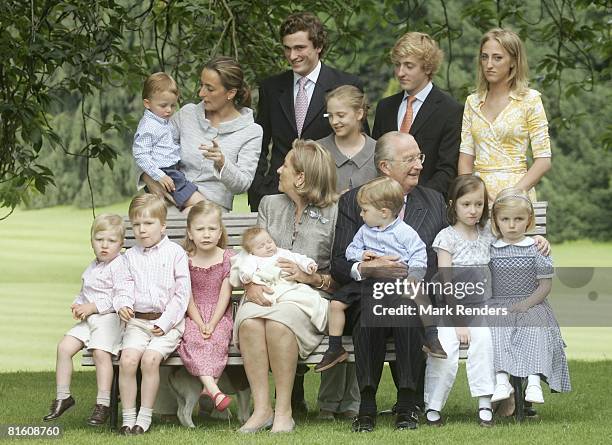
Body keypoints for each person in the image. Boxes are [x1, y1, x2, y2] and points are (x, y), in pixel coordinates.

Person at [331, 131, 449, 432]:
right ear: (385, 166)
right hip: (365, 293)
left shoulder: (433, 201)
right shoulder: (354, 202)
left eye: (419, 157)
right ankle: (367, 407)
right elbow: (340, 263)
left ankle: (408, 405)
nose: (419, 165)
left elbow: (437, 262)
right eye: (409, 159)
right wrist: (369, 269)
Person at [233, 140, 338, 433]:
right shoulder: (269, 204)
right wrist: (250, 284)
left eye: (286, 166)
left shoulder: (335, 212)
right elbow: (251, 253)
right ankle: (262, 409)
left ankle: (284, 411)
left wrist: (312, 278)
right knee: (251, 323)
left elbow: (342, 272)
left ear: (301, 177)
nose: (278, 169)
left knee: (279, 325)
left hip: (309, 297)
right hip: (265, 290)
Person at [248, 11, 368, 211]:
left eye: (300, 48)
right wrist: (258, 189)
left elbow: (362, 142)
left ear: (319, 46)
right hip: (277, 192)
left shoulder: (346, 84)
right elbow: (259, 142)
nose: (292, 56)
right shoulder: (271, 87)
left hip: (328, 194)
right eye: (287, 48)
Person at [316, 176, 427, 373]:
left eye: (365, 210)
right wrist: (361, 255)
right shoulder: (364, 231)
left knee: (417, 300)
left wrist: (414, 277)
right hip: (367, 283)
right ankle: (335, 348)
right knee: (336, 303)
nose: (361, 214)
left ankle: (432, 338)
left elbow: (419, 254)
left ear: (384, 212)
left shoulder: (405, 232)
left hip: (396, 284)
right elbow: (350, 251)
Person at [142, 56, 262, 212]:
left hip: (211, 212)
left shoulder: (251, 131)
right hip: (170, 199)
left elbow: (242, 185)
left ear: (230, 93)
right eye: (201, 85)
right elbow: (148, 144)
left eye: (209, 89)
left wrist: (222, 163)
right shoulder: (187, 114)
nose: (201, 93)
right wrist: (148, 178)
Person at [43, 214, 129, 426]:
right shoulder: (93, 266)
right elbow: (85, 292)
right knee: (64, 347)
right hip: (89, 320)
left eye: (111, 241)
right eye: (99, 240)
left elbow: (121, 296)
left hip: (108, 319)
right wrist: (78, 304)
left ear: (121, 243)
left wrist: (93, 307)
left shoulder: (120, 265)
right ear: (92, 241)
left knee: (101, 353)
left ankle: (103, 403)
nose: (104, 246)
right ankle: (63, 397)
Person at [114, 194, 190, 435]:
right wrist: (123, 304)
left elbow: (181, 294)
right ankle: (128, 417)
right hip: (137, 322)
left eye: (148, 224)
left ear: (163, 225)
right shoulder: (129, 257)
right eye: (136, 225)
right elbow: (123, 286)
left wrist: (166, 322)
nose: (142, 230)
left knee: (149, 360)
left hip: (168, 322)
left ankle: (144, 416)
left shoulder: (176, 253)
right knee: (127, 361)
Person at [424, 175, 496, 427]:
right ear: (454, 205)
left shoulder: (487, 233)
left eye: (479, 204)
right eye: (466, 204)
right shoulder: (447, 238)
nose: (473, 210)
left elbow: (513, 238)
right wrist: (459, 322)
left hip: (482, 308)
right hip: (451, 308)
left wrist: (539, 240)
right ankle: (433, 405)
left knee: (485, 342)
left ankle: (485, 402)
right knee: (445, 348)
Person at [488, 187, 570, 406]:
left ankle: (533, 383)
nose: (512, 225)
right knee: (497, 328)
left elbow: (545, 286)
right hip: (500, 303)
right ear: (496, 221)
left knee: (536, 328)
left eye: (518, 219)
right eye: (505, 219)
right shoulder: (491, 249)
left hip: (532, 302)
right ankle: (501, 380)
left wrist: (525, 304)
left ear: (529, 220)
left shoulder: (536, 249)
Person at [458, 28, 552, 202]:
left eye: (497, 58)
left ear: (513, 62)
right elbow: (465, 159)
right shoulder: (472, 102)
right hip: (478, 200)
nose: (489, 64)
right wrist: (471, 194)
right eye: (484, 57)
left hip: (516, 199)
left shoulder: (530, 100)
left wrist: (512, 195)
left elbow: (544, 161)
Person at [371, 32, 462, 196]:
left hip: (427, 206)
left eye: (409, 66)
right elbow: (376, 160)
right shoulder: (385, 107)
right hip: (383, 203)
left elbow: (447, 170)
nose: (400, 72)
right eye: (397, 65)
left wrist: (417, 202)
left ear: (427, 67)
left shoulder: (450, 110)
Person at [177, 201, 235, 414]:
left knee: (217, 339)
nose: (206, 234)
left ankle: (208, 391)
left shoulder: (227, 258)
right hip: (193, 314)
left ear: (220, 232)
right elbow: (187, 296)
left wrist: (212, 322)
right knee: (193, 338)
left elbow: (225, 294)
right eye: (200, 229)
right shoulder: (185, 259)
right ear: (190, 233)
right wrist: (200, 322)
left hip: (220, 315)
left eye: (212, 229)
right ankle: (214, 391)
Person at [133, 72, 205, 212]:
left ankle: (182, 217)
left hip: (173, 171)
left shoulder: (162, 121)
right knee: (201, 205)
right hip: (165, 173)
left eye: (172, 105)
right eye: (163, 105)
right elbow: (141, 154)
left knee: (169, 210)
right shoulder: (149, 126)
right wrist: (159, 176)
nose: (169, 110)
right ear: (147, 103)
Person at [230, 227, 327, 326]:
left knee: (306, 295)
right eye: (261, 246)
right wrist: (246, 277)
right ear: (252, 252)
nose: (268, 246)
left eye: (269, 241)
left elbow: (297, 258)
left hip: (287, 285)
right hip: (266, 287)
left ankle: (313, 306)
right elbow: (245, 269)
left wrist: (308, 264)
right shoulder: (253, 259)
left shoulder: (281, 253)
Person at [317, 85, 377, 193]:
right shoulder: (317, 150)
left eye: (341, 115)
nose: (334, 121)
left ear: (359, 114)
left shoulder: (378, 151)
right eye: (330, 116)